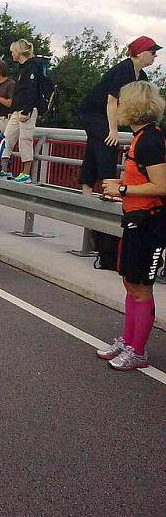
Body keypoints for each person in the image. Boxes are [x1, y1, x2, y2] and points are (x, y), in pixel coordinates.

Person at [97, 81, 166, 370]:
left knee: (141, 287)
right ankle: (128, 340)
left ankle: (138, 351)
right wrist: (122, 187)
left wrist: (122, 190)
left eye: (123, 102)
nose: (119, 107)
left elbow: (161, 185)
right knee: (129, 283)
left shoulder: (150, 140)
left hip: (151, 223)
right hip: (136, 220)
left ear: (135, 106)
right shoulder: (141, 137)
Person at [79, 36, 160, 195]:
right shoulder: (125, 70)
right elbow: (112, 101)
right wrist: (113, 130)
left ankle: (86, 190)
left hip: (104, 114)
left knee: (94, 147)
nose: (154, 56)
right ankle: (110, 191)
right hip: (92, 112)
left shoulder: (142, 76)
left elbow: (137, 105)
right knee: (109, 143)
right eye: (152, 52)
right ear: (140, 53)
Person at [4, 39, 39, 184]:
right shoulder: (22, 68)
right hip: (17, 110)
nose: (12, 54)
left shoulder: (32, 68)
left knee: (25, 139)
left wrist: (26, 110)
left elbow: (32, 91)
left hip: (27, 111)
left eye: (13, 51)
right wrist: (13, 110)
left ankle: (25, 173)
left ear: (19, 52)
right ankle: (3, 168)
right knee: (7, 137)